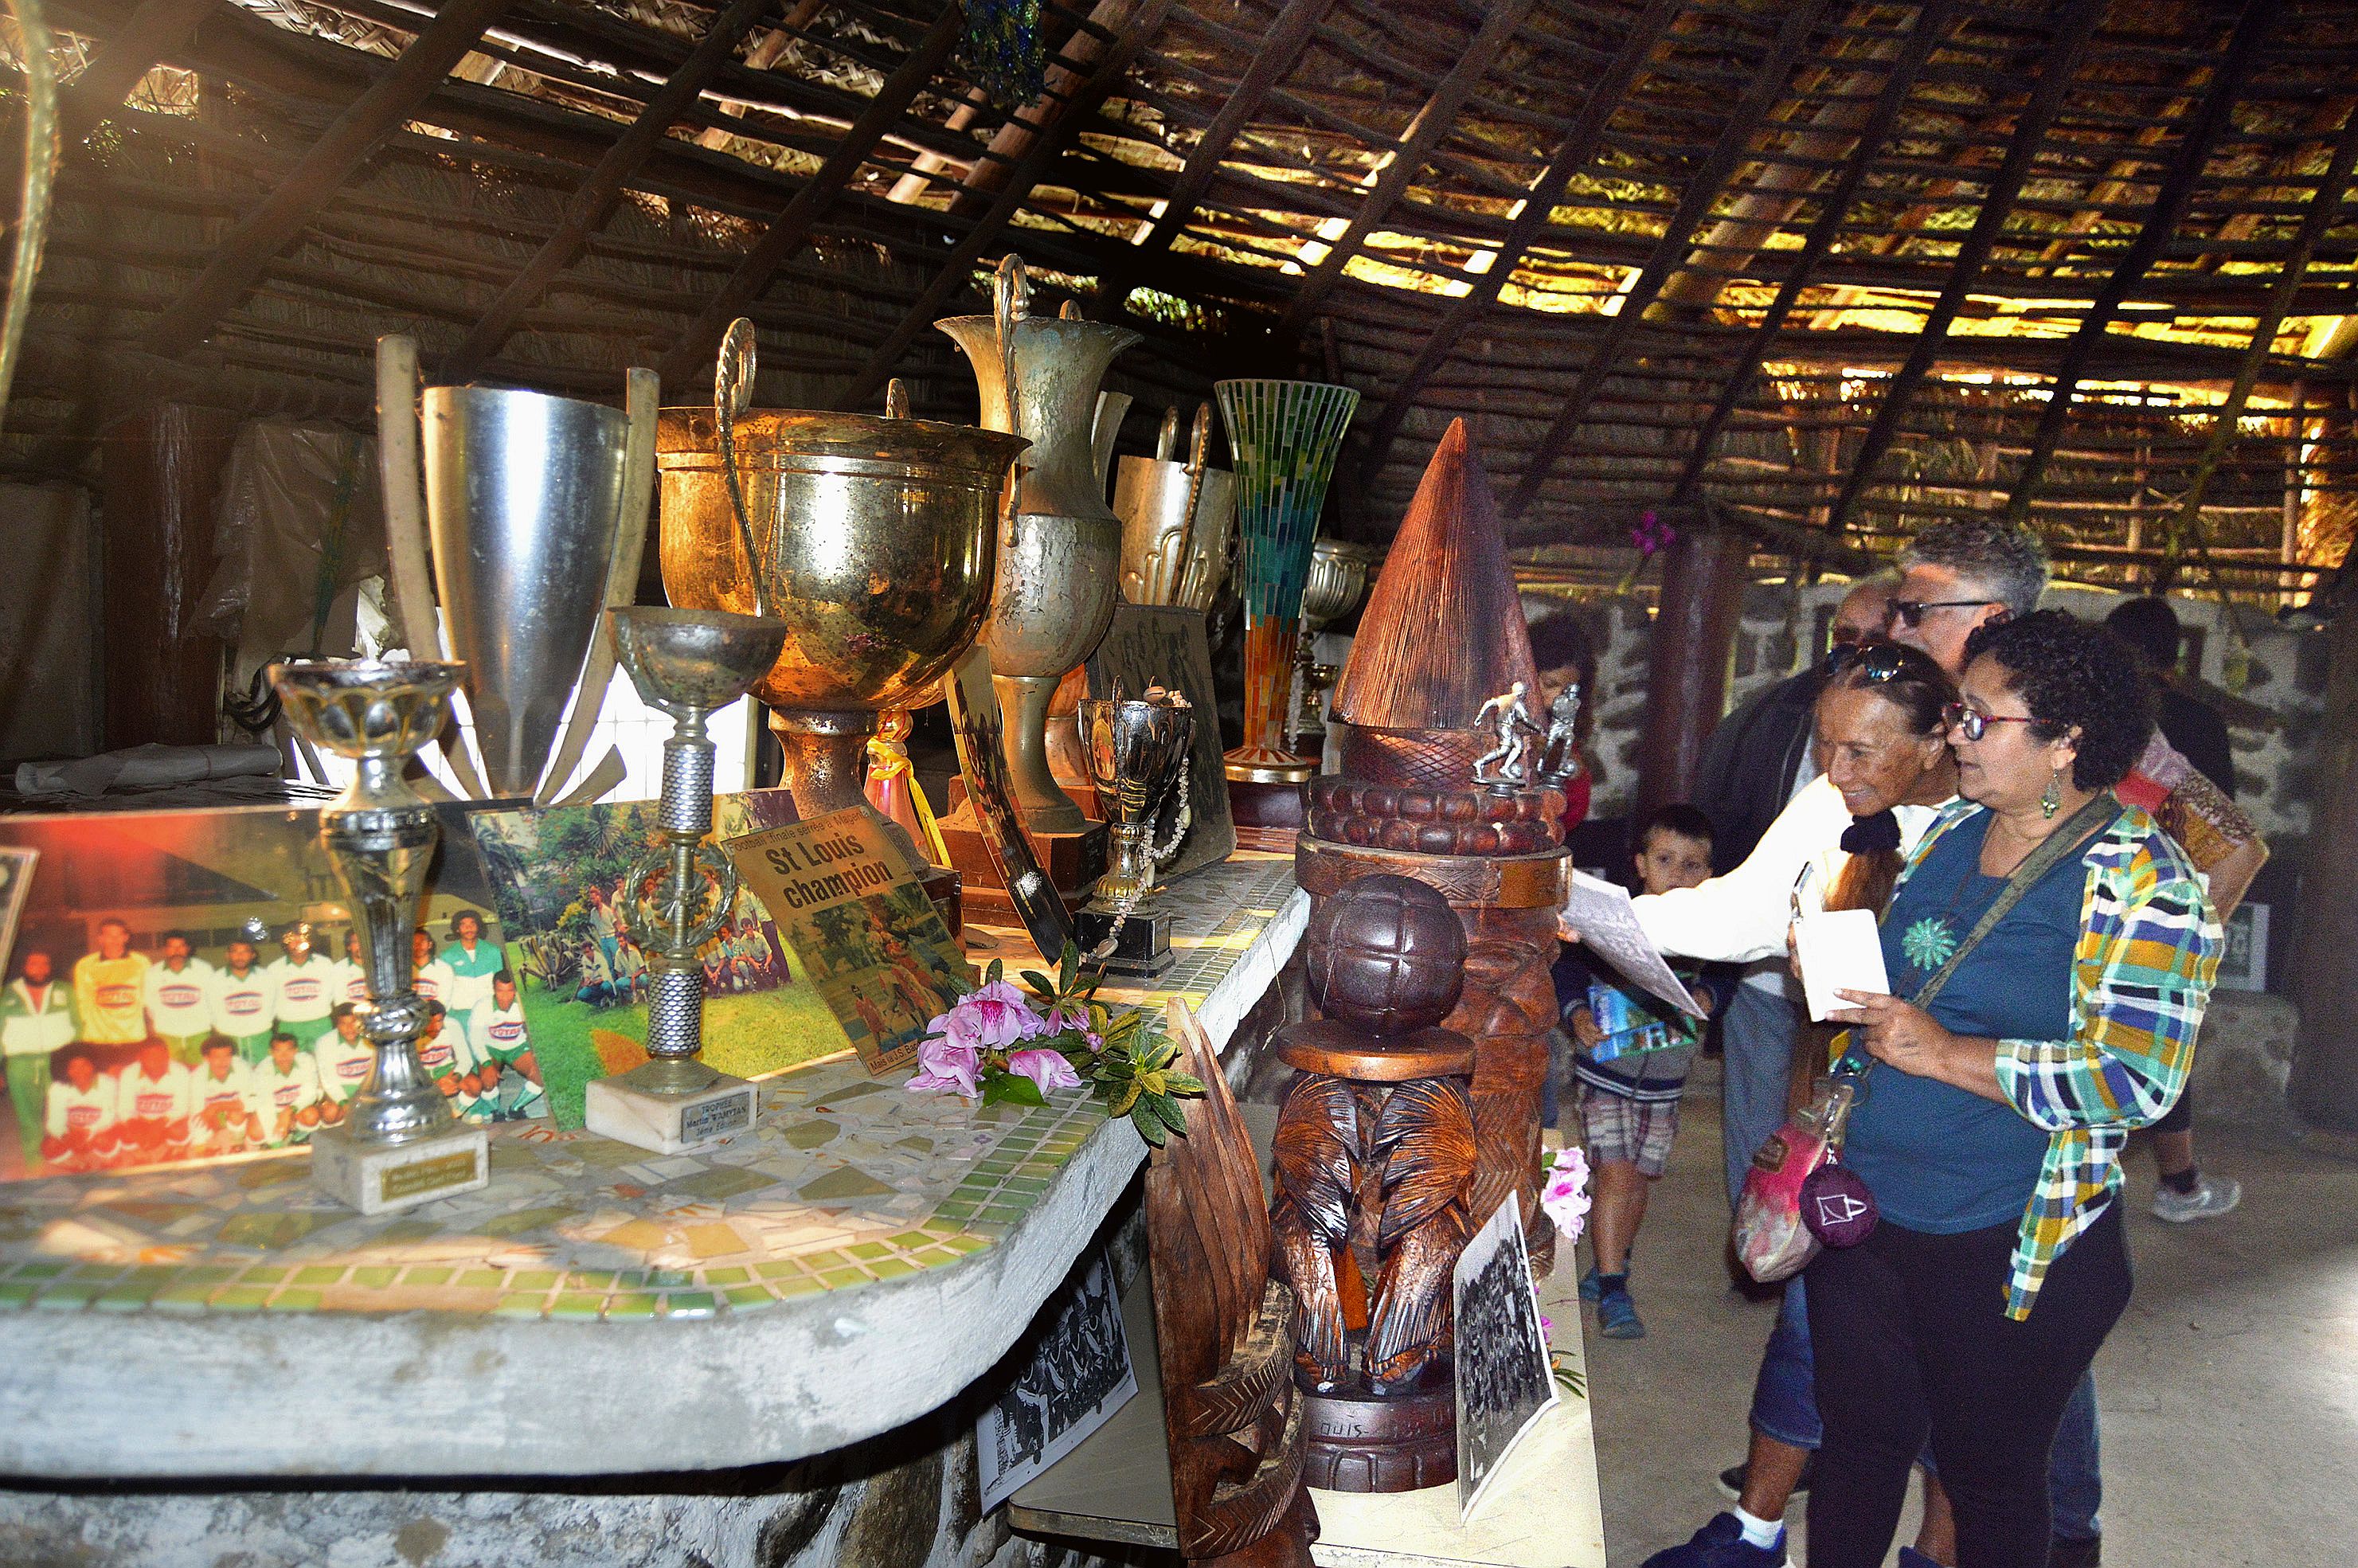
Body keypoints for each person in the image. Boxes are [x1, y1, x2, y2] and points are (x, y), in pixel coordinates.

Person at [1809, 612, 2219, 1568]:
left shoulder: (2146, 882)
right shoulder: (1952, 827)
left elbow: (2137, 1077)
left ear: (2066, 741)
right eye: (1959, 713)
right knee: (1858, 1450)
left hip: (2007, 1234)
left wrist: (1947, 1053)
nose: (1956, 735)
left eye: (1981, 720)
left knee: (1990, 1480)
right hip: (1868, 1213)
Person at [1633, 643, 1961, 1568]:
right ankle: (1754, 1529)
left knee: (1952, 1357)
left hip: (1951, 1130)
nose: (1835, 770)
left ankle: (1937, 1553)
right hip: (1840, 1109)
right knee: (1816, 1312)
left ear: (1941, 739)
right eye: (1825, 745)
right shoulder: (1836, 801)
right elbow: (1742, 911)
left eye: (1861, 750)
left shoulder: (1988, 830)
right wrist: (1615, 918)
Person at [1690, 575, 1897, 1212]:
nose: (1857, 653)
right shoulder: (1773, 715)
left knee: (1839, 1141)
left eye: (1876, 640)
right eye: (1845, 639)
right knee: (1757, 1133)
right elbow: (1723, 835)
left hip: (1858, 984)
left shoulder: (1924, 745)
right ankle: (1759, 1252)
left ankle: (1812, 1284)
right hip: (1767, 971)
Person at [1562, 804, 1723, 1339]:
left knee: (1641, 1174)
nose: (1677, 874)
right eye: (1664, 860)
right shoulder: (1617, 921)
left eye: (1693, 864)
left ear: (1710, 872)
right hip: (1606, 1067)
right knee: (1615, 1172)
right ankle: (1612, 1286)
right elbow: (1569, 967)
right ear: (1640, 864)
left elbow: (1730, 974)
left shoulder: (1710, 930)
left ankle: (1613, 1260)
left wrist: (1708, 993)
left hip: (1665, 1077)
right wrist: (1577, 1013)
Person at [2103, 596, 2241, 1223]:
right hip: (2168, 893)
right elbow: (2223, 825)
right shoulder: (2198, 722)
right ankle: (2179, 1183)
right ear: (2175, 654)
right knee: (2162, 1025)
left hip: (2092, 882)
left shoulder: (2096, 712)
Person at [3, 950, 76, 1169]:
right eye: (33, 963)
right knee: (28, 1117)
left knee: (66, 1111)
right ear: (24, 966)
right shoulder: (7, 993)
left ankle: (69, 1158)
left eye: (45, 963)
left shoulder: (64, 990)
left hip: (59, 1060)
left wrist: (79, 1059)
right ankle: (34, 1163)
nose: (40, 968)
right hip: (20, 1062)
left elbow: (77, 1024)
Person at [1527, 612, 1599, 830]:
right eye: (1549, 684)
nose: (1558, 699)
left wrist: (1572, 772)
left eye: (1568, 691)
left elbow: (1569, 817)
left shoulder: (1559, 730)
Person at [112, 1038, 195, 1165]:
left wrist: (159, 1125)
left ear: (168, 1056)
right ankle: (142, 1155)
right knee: (125, 1133)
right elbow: (124, 1108)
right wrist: (135, 1125)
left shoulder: (180, 1071)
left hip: (168, 1123)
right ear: (139, 1058)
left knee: (180, 1131)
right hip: (141, 1122)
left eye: (161, 1058)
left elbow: (182, 1107)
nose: (156, 1063)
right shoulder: (129, 1073)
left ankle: (172, 1150)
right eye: (150, 1059)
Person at [72, 917, 151, 1047]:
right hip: (99, 1036)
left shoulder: (141, 962)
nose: (114, 940)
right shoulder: (85, 965)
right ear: (100, 938)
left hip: (133, 1035)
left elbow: (146, 998)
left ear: (126, 938)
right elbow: (82, 1000)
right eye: (109, 936)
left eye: (119, 935)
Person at [142, 933, 217, 1067]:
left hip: (199, 1033)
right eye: (172, 947)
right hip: (167, 1034)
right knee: (172, 1074)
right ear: (165, 949)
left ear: (188, 948)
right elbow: (148, 1005)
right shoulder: (153, 973)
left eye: (181, 946)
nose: (176, 951)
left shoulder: (204, 969)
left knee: (200, 1073)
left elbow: (214, 1000)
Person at [41, 1050, 119, 1171]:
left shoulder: (107, 1083)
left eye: (84, 1065)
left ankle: (105, 1162)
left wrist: (88, 1133)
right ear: (66, 1070)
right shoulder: (58, 1088)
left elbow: (109, 1118)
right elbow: (54, 1123)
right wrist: (67, 1137)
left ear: (93, 1065)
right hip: (73, 1134)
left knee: (104, 1141)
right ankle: (80, 1166)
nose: (80, 1071)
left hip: (98, 1132)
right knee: (48, 1146)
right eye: (73, 1067)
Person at [263, 923, 338, 1042]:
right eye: (292, 940)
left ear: (310, 942)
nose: (298, 944)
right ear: (285, 943)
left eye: (302, 940)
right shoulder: (274, 969)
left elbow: (333, 994)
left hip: (320, 1024)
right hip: (289, 1026)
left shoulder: (325, 964)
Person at [248, 1030, 323, 1148]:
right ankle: (277, 1141)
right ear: (271, 1052)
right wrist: (276, 1140)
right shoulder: (262, 1070)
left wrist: (289, 1112)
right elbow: (265, 1103)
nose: (284, 1056)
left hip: (298, 1108)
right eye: (278, 1051)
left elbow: (310, 1092)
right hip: (274, 1110)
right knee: (255, 1133)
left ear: (296, 1050)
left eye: (289, 1050)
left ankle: (300, 1137)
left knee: (311, 1115)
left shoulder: (306, 1061)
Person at [189, 1034, 261, 1155]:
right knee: (197, 1124)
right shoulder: (198, 1076)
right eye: (217, 1057)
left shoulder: (241, 1068)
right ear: (207, 1058)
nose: (223, 1062)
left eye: (227, 1056)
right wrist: (219, 1130)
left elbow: (251, 1103)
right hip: (212, 1119)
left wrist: (217, 1106)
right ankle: (211, 1149)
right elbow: (198, 1110)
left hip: (236, 1117)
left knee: (237, 1115)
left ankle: (237, 1145)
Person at [440, 909, 502, 1044]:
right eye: (463, 924)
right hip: (461, 1015)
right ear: (457, 929)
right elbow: (445, 992)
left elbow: (501, 986)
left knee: (491, 1055)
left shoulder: (493, 951)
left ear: (478, 926)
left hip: (489, 1013)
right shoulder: (447, 956)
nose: (469, 928)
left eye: (472, 924)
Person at [468, 971, 538, 1087]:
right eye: (500, 991)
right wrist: (486, 1063)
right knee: (488, 1082)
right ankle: (493, 1105)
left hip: (517, 1048)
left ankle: (516, 1106)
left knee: (539, 1075)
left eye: (510, 991)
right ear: (494, 990)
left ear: (516, 991)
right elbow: (474, 1038)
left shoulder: (524, 1004)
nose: (505, 997)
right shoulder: (482, 1006)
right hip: (492, 1049)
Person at [212, 937, 275, 1065]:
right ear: (227, 955)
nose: (240, 956)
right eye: (235, 952)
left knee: (262, 1074)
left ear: (253, 955)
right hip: (230, 1038)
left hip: (261, 1037)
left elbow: (273, 1005)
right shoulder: (215, 979)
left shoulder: (266, 977)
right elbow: (211, 1009)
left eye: (245, 952)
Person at [311, 1003, 375, 1124]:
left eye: (353, 1022)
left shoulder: (371, 1037)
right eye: (343, 1024)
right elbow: (328, 1079)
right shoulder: (325, 1043)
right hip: (341, 1092)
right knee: (330, 1113)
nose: (349, 1028)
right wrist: (343, 1102)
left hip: (368, 1091)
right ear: (336, 1025)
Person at [410, 929, 456, 1012]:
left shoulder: (444, 968)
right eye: (414, 943)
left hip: (436, 1017)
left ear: (430, 945)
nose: (418, 946)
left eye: (422, 942)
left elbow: (444, 999)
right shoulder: (403, 970)